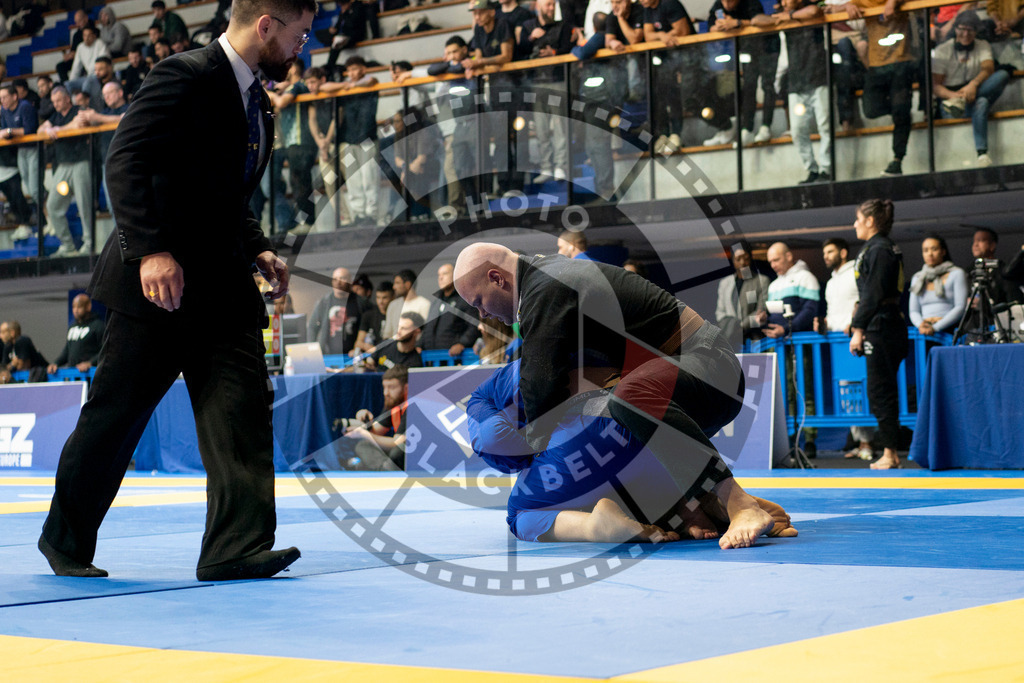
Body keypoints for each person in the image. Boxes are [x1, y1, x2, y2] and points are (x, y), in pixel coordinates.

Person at [37, 0, 316, 581]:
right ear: (265, 26)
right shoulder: (184, 75)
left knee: (241, 414)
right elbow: (126, 160)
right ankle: (64, 540)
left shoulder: (257, 102)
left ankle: (234, 548)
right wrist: (151, 250)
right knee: (115, 419)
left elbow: (227, 197)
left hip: (222, 288)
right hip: (157, 290)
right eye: (299, 35)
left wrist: (257, 244)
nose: (302, 48)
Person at [454, 243, 776, 549]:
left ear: (498, 278)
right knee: (627, 407)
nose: (482, 314)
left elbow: (540, 386)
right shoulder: (548, 277)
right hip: (685, 383)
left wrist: (536, 453)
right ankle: (697, 501)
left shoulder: (546, 287)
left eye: (478, 301)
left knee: (628, 397)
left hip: (708, 369)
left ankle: (738, 502)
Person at [468, 358, 798, 543]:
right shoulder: (598, 330)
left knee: (519, 515)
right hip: (656, 428)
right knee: (634, 472)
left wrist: (526, 452)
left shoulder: (503, 383)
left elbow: (497, 443)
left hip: (589, 444)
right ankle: (703, 503)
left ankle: (596, 527)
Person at [850, 199, 907, 470]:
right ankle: (890, 450)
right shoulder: (879, 248)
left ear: (870, 221)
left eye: (858, 219)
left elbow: (873, 294)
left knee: (881, 390)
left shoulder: (880, 249)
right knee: (882, 389)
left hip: (881, 326)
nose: (855, 224)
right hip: (884, 323)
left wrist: (858, 328)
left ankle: (889, 452)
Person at [815, 237, 876, 461]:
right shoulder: (830, 282)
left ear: (843, 253)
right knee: (847, 392)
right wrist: (823, 323)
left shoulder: (854, 272)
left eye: (830, 252)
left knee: (862, 389)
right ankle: (860, 443)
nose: (826, 257)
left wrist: (855, 321)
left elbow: (862, 300)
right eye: (824, 253)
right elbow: (833, 313)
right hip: (838, 344)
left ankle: (868, 442)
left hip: (857, 341)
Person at [842, 0, 915, 176]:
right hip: (876, 63)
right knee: (870, 110)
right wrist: (847, 6)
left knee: (900, 113)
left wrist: (892, 2)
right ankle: (901, 111)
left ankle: (897, 160)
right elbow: (839, 6)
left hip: (901, 60)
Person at [762, 241, 820, 456]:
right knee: (785, 394)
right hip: (778, 346)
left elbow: (810, 311)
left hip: (798, 345)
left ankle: (811, 439)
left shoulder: (806, 278)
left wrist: (787, 329)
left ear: (789, 256)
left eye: (776, 259)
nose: (773, 265)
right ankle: (790, 440)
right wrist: (764, 319)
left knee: (804, 390)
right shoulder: (774, 285)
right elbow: (774, 315)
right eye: (770, 262)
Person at [763, 0, 831, 182]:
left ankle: (827, 169)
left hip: (819, 78)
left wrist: (790, 16)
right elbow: (784, 56)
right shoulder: (784, 21)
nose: (784, 2)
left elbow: (814, 11)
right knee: (798, 130)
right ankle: (812, 169)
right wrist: (778, 81)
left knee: (826, 126)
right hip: (796, 82)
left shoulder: (811, 11)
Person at [932, 11, 1009, 168]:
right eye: (962, 29)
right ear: (955, 29)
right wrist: (955, 96)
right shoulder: (943, 50)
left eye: (970, 30)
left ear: (976, 31)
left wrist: (973, 85)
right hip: (951, 102)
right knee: (981, 102)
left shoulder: (982, 45)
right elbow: (936, 86)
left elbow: (988, 69)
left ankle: (982, 155)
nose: (966, 34)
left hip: (976, 88)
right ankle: (982, 153)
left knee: (1001, 75)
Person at [517, 0, 576, 183]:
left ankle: (561, 166)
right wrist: (531, 39)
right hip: (536, 84)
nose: (550, 8)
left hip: (558, 81)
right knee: (541, 129)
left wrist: (554, 53)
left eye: (552, 5)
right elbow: (520, 53)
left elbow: (569, 50)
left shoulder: (563, 26)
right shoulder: (528, 27)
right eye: (547, 4)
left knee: (560, 127)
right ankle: (546, 167)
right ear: (538, 5)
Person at [708, 0, 779, 147]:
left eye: (730, 1)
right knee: (749, 87)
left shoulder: (751, 3)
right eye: (724, 1)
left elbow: (760, 21)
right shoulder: (718, 6)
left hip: (768, 46)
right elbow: (711, 28)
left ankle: (766, 126)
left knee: (767, 85)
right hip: (747, 50)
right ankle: (747, 129)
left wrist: (738, 23)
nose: (727, 4)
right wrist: (721, 26)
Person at [39, 86, 95, 257]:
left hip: (81, 163)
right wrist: (48, 129)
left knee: (84, 204)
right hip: (63, 166)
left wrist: (57, 130)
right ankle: (68, 245)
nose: (55, 104)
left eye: (58, 101)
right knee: (52, 205)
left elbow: (78, 124)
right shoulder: (55, 116)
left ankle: (88, 244)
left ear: (67, 99)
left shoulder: (79, 110)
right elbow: (40, 130)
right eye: (53, 101)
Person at [267, 58, 317, 236]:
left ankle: (309, 221)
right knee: (296, 182)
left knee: (301, 182)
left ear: (294, 68)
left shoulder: (299, 86)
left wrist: (271, 95)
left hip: (301, 141)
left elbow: (281, 103)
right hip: (292, 142)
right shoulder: (290, 87)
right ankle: (305, 220)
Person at [337, 364, 410, 470]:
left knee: (397, 453)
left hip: (410, 453)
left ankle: (377, 468)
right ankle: (383, 467)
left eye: (391, 387)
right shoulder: (394, 404)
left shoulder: (411, 406)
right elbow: (376, 432)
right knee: (363, 445)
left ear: (406, 388)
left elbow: (397, 443)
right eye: (384, 387)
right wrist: (366, 422)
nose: (386, 393)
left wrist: (364, 434)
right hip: (396, 455)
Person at [335, 55, 380, 226]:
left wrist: (351, 85)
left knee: (369, 178)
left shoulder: (370, 82)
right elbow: (326, 87)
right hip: (348, 138)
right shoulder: (345, 87)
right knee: (353, 180)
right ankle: (358, 215)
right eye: (350, 70)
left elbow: (371, 80)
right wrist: (346, 84)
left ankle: (371, 214)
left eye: (355, 69)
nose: (352, 73)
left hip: (368, 136)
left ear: (363, 68)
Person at [715, 241, 770, 351]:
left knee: (754, 368)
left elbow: (761, 311)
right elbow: (720, 313)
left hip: (753, 340)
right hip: (729, 340)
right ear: (733, 260)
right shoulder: (725, 283)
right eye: (738, 259)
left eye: (746, 258)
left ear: (750, 258)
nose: (743, 262)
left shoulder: (761, 281)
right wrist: (732, 328)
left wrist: (739, 326)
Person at [909, 234, 968, 335]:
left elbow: (960, 307)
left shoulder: (957, 273)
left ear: (943, 252)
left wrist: (936, 327)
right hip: (924, 331)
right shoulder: (917, 278)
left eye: (934, 249)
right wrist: (921, 325)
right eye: (926, 250)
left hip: (950, 330)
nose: (930, 254)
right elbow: (913, 310)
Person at [419, 263, 480, 357]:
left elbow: (474, 325)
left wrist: (462, 343)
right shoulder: (435, 303)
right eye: (439, 275)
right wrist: (419, 345)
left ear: (455, 275)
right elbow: (427, 328)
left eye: (445, 274)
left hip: (454, 359)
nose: (441, 277)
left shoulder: (464, 299)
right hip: (431, 358)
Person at [307, 266, 372, 355]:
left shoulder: (361, 302)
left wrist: (363, 347)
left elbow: (371, 326)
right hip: (328, 355)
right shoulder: (325, 302)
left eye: (342, 278)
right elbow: (312, 327)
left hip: (353, 356)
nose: (338, 282)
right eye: (335, 279)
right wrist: (312, 350)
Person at [0, 86, 37, 230]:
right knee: (28, 187)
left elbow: (30, 130)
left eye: (4, 97)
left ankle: (43, 220)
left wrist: (9, 131)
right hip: (20, 151)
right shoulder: (4, 111)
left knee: (33, 189)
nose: (1, 100)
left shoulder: (25, 107)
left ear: (14, 96)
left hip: (32, 149)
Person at [46, 294, 106, 375]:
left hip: (89, 375)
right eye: (74, 307)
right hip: (73, 375)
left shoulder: (98, 326)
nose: (76, 310)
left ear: (88, 306)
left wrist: (90, 363)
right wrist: (56, 363)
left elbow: (105, 351)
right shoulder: (72, 327)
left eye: (79, 306)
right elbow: (67, 351)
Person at [315, 0, 368, 79]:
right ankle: (329, 66)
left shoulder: (357, 6)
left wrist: (345, 13)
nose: (342, 7)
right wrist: (333, 30)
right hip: (344, 35)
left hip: (355, 35)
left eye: (343, 4)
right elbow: (338, 26)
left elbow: (353, 24)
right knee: (323, 34)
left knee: (337, 42)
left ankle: (329, 66)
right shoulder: (342, 12)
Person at [383, 269, 431, 338]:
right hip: (393, 347)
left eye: (397, 283)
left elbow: (425, 333)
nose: (394, 287)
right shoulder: (393, 305)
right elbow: (387, 334)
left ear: (408, 284)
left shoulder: (424, 304)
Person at [353, 280, 394, 354]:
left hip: (391, 354)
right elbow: (358, 343)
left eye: (384, 298)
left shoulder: (397, 315)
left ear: (393, 298)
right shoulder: (369, 315)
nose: (380, 302)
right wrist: (370, 348)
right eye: (378, 297)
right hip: (373, 357)